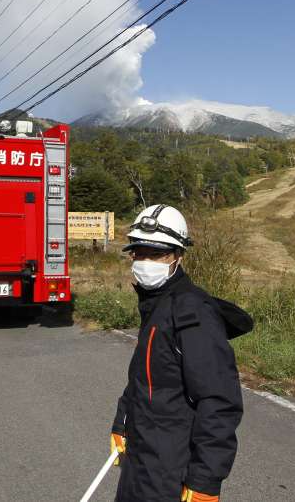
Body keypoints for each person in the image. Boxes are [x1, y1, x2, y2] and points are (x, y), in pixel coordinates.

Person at [109, 205, 253, 502]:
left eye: (156, 253)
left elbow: (219, 401)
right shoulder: (156, 304)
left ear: (177, 256)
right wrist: (122, 422)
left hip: (171, 469)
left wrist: (205, 480)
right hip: (141, 459)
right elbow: (146, 378)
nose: (145, 261)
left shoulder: (192, 313)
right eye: (139, 252)